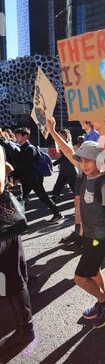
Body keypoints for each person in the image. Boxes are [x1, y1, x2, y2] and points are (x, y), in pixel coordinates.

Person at [47, 118, 105, 328]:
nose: (84, 163)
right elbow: (68, 151)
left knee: (80, 278)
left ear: (98, 161)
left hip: (100, 238)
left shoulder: (104, 182)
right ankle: (102, 300)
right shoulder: (87, 173)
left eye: (89, 160)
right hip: (89, 235)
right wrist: (52, 130)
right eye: (82, 160)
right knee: (94, 270)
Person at [0, 145, 35, 353]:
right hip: (6, 221)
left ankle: (25, 329)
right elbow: (6, 167)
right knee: (13, 273)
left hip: (3, 222)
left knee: (13, 276)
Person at [14, 127, 62, 223]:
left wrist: (15, 174)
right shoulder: (22, 148)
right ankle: (57, 214)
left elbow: (24, 165)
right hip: (29, 179)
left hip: (33, 179)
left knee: (21, 199)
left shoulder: (30, 149)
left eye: (18, 135)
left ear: (25, 136)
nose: (16, 137)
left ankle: (17, 220)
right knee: (38, 198)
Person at [52, 129, 77, 201]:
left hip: (68, 167)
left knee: (73, 183)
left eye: (60, 135)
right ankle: (55, 195)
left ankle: (78, 196)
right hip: (65, 167)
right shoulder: (65, 143)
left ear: (63, 136)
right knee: (60, 182)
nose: (59, 136)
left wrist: (54, 163)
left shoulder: (66, 143)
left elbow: (65, 156)